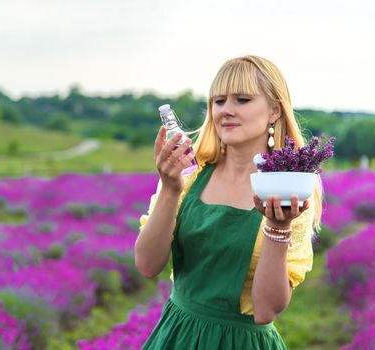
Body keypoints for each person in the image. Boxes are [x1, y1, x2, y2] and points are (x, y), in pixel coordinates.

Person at [135, 55, 323, 349]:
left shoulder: (288, 187)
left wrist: (277, 225)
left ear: (274, 110)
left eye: (242, 100)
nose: (226, 111)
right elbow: (147, 265)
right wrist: (170, 190)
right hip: (177, 336)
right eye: (219, 101)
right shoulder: (188, 177)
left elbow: (266, 310)